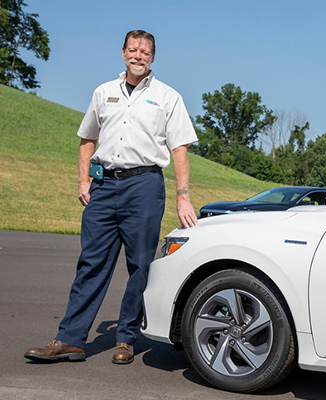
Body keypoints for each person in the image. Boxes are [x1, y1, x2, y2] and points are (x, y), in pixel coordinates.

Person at [24, 30, 198, 365]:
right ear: (122, 53)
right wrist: (82, 180)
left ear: (152, 57)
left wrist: (182, 196)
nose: (138, 55)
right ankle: (70, 340)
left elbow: (179, 149)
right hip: (103, 187)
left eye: (144, 51)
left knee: (139, 266)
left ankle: (126, 339)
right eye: (132, 49)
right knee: (91, 263)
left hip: (144, 185)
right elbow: (87, 138)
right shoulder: (103, 92)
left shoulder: (167, 97)